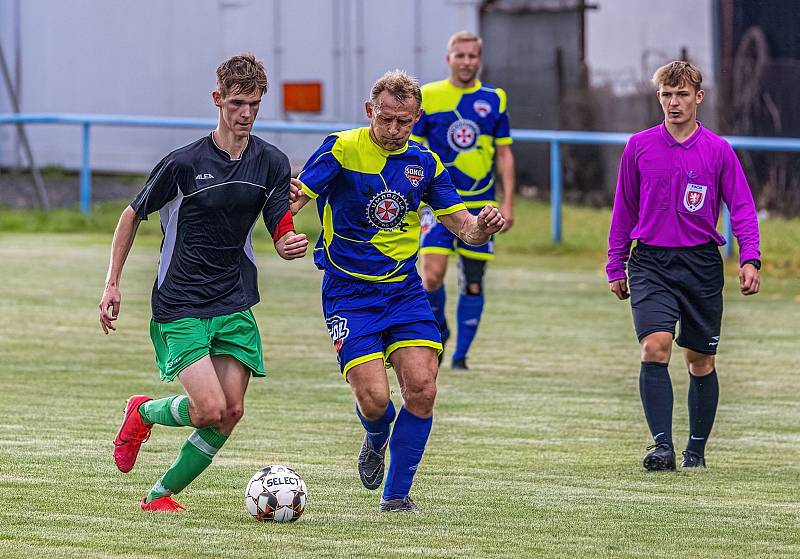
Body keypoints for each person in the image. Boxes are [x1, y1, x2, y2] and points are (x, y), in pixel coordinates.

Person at [98, 53, 308, 512]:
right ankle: (143, 411)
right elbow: (131, 215)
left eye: (254, 103)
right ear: (218, 100)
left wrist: (288, 238)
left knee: (230, 413)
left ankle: (159, 495)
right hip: (181, 303)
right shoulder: (184, 163)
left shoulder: (271, 162)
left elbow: (277, 216)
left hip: (233, 300)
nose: (246, 113)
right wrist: (112, 282)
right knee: (209, 409)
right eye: (237, 103)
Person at [289, 70, 504, 512]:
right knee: (375, 401)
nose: (393, 130)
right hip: (348, 293)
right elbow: (294, 200)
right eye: (385, 119)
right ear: (370, 111)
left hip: (404, 293)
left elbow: (465, 228)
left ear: (416, 118)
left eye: (403, 122)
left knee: (423, 389)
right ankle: (374, 437)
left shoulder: (425, 162)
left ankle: (396, 496)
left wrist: (483, 224)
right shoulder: (341, 148)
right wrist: (280, 232)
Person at [606, 61, 761, 471]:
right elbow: (623, 210)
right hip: (651, 261)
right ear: (658, 97)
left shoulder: (718, 151)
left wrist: (750, 257)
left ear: (698, 98)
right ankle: (661, 447)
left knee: (699, 361)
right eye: (667, 95)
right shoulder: (638, 147)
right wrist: (615, 264)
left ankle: (695, 450)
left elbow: (742, 207)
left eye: (682, 95)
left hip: (701, 265)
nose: (674, 103)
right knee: (655, 346)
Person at [410, 31, 516, 370]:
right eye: (460, 55)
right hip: (438, 203)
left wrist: (508, 202)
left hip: (481, 203)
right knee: (431, 276)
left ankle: (460, 357)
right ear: (449, 58)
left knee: (473, 280)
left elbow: (504, 153)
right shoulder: (428, 95)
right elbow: (413, 150)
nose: (467, 62)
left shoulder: (494, 98)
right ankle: (439, 335)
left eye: (472, 56)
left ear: (479, 59)